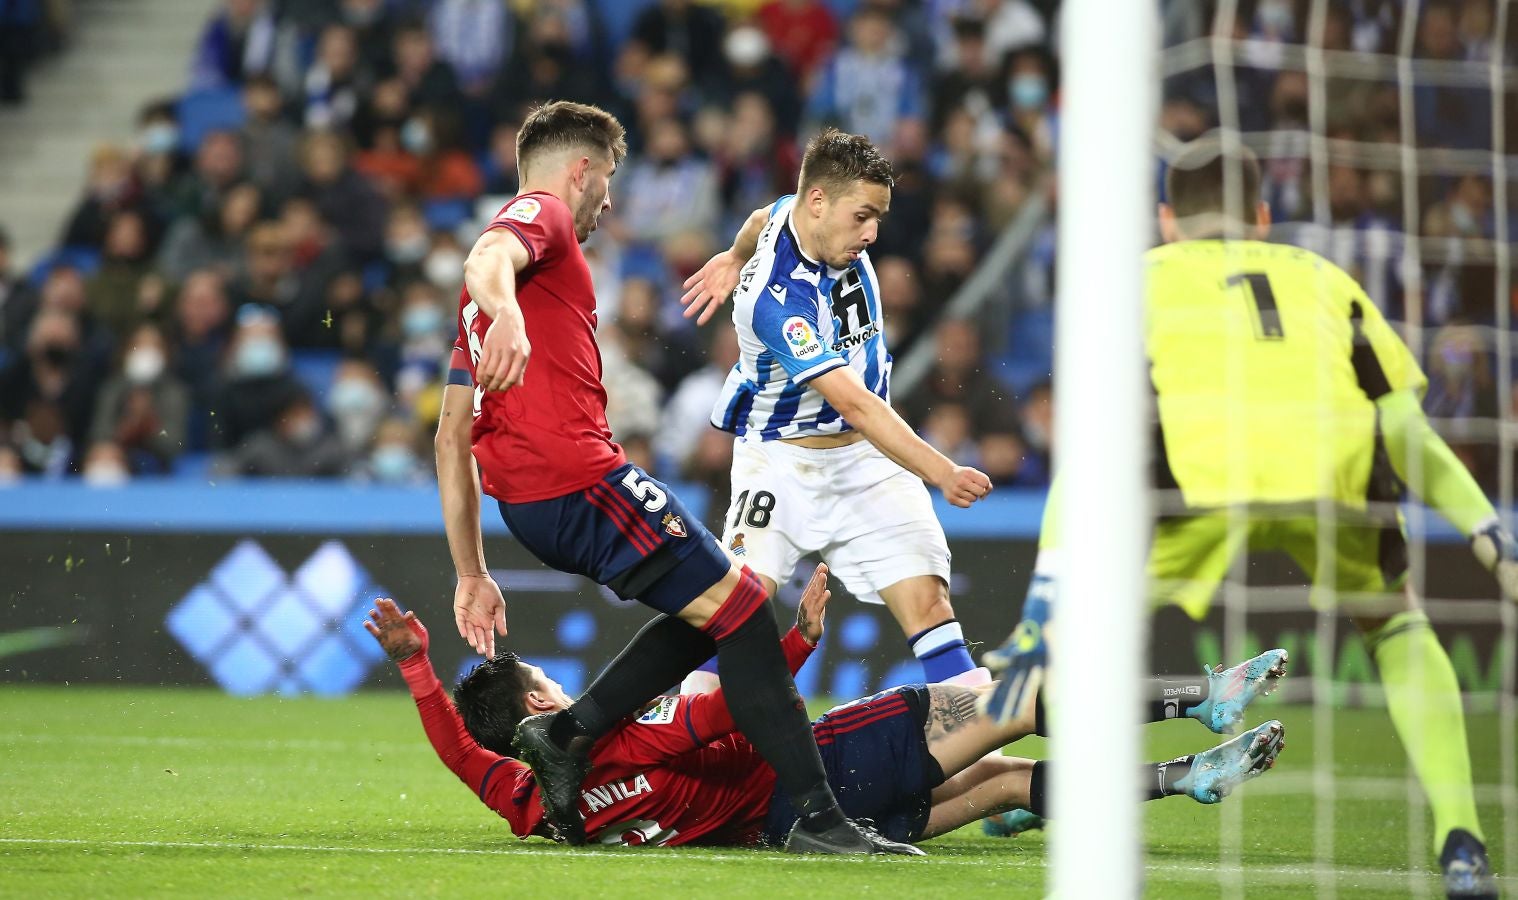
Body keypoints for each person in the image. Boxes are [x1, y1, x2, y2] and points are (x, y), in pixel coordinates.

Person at [981, 141, 1509, 898]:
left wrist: (1046, 590)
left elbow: (1095, 444)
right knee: (1396, 627)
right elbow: (1405, 427)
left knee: (1085, 650)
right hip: (1333, 465)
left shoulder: (1136, 279)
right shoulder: (1327, 278)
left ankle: (1053, 789)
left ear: (1168, 221)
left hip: (1201, 473)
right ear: (1262, 218)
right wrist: (1487, 530)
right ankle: (1462, 839)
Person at [437, 100, 908, 854]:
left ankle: (570, 732)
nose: (609, 201)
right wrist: (510, 316)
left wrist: (471, 571)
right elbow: (486, 256)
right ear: (582, 170)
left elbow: (449, 436)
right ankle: (818, 819)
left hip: (533, 505)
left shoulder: (476, 311)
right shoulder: (542, 218)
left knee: (721, 610)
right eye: (609, 179)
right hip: (579, 480)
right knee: (747, 609)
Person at [361, 565, 1289, 849]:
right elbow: (723, 718)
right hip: (825, 769)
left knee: (1005, 783)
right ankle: (1204, 698)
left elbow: (460, 754)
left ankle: (1184, 778)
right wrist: (795, 643)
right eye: (551, 690)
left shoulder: (531, 800)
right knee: (1023, 695)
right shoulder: (617, 731)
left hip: (784, 828)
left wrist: (420, 675)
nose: (568, 694)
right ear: (535, 701)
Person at [679, 128, 993, 686]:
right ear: (820, 202)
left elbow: (760, 217)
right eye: (863, 217)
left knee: (930, 606)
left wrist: (731, 254)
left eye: (879, 218)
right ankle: (672, 749)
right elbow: (857, 404)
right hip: (781, 462)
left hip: (865, 464)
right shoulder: (774, 302)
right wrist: (943, 471)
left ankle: (979, 754)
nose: (872, 234)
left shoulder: (794, 214)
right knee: (734, 616)